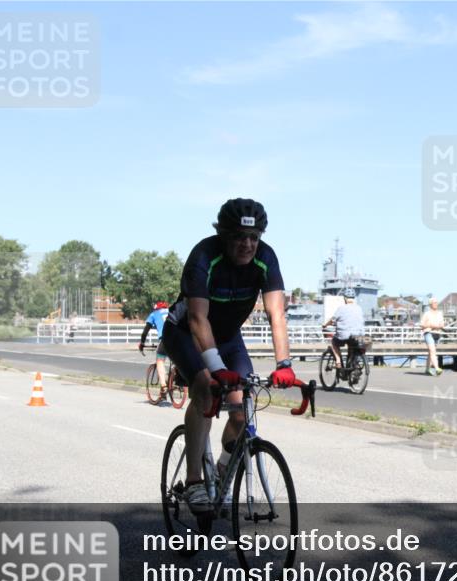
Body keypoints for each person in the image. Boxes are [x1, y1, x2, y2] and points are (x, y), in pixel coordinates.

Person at [162, 198, 297, 513]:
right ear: (223, 234)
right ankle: (194, 482)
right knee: (205, 390)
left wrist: (285, 364)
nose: (247, 244)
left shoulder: (265, 258)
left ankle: (221, 471)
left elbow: (276, 313)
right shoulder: (204, 256)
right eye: (238, 236)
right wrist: (216, 368)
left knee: (242, 408)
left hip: (228, 336)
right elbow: (197, 319)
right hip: (185, 332)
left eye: (254, 237)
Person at [323, 288, 365, 377]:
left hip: (344, 335)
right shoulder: (359, 308)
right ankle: (354, 366)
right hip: (359, 336)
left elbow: (333, 320)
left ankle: (338, 362)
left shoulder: (341, 308)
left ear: (345, 298)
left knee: (334, 342)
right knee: (352, 345)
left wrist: (325, 325)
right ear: (354, 298)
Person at [139, 301, 170, 399]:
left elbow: (145, 332)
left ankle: (164, 387)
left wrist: (142, 344)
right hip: (179, 339)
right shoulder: (171, 311)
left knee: (160, 361)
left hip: (165, 339)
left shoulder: (154, 314)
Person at [419, 297, 445, 376]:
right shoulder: (427, 314)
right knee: (432, 350)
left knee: (431, 352)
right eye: (434, 303)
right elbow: (421, 325)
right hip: (428, 333)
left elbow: (442, 324)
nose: (436, 304)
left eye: (437, 302)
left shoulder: (440, 313)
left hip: (437, 333)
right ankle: (437, 368)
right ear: (430, 304)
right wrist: (430, 325)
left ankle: (427, 369)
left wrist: (439, 326)